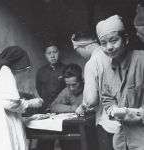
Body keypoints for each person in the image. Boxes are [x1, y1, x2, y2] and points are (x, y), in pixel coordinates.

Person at [77, 14, 144, 150]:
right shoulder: (108, 68)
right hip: (122, 138)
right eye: (104, 43)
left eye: (114, 41)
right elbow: (107, 97)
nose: (109, 47)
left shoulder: (141, 60)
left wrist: (128, 113)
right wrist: (113, 109)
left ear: (125, 39)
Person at [0, 46, 42, 150]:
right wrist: (30, 103)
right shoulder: (5, 70)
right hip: (2, 120)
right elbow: (10, 103)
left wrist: (25, 119)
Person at [51, 63, 83, 150]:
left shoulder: (89, 89)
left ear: (81, 80)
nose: (71, 88)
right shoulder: (67, 91)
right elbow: (53, 107)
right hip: (75, 129)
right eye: (68, 85)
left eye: (74, 84)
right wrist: (73, 108)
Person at [36, 41, 66, 113]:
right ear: (45, 55)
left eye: (55, 52)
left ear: (59, 52)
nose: (52, 56)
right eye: (49, 53)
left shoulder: (66, 69)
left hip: (62, 106)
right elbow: (39, 89)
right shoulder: (41, 71)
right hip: (46, 107)